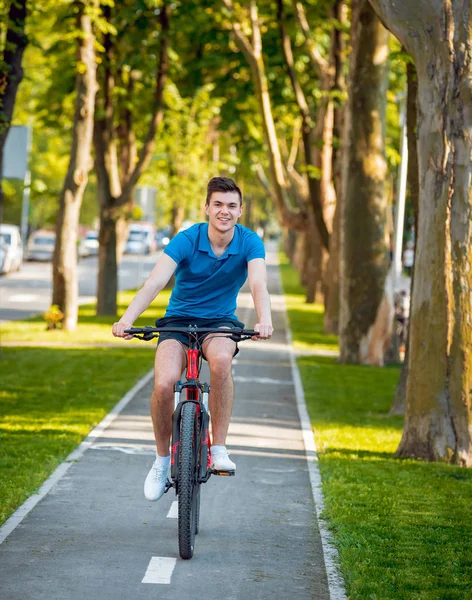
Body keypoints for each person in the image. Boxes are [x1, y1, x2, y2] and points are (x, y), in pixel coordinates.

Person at [112, 176, 273, 501]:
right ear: (206, 208)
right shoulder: (188, 239)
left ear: (240, 210)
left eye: (231, 205)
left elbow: (258, 283)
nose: (224, 211)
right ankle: (161, 461)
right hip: (178, 321)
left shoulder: (250, 242)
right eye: (218, 204)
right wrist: (127, 320)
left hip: (219, 323)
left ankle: (219, 448)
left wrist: (264, 318)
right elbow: (155, 281)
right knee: (163, 383)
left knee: (222, 361)